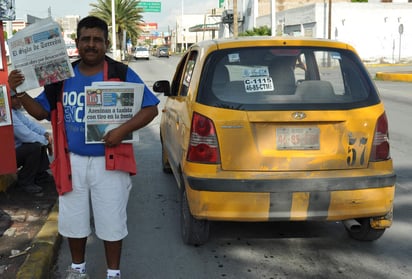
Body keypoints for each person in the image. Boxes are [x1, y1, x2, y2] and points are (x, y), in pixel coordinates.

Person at [8, 16, 159, 279]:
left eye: (97, 40)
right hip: (71, 162)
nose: (91, 45)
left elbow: (151, 108)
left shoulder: (120, 73)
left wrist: (122, 131)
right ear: (77, 43)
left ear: (106, 43)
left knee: (112, 221)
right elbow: (43, 111)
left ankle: (113, 273)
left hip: (110, 163)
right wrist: (18, 91)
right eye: (86, 39)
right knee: (73, 221)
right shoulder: (61, 77)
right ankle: (78, 269)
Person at [10, 90, 53, 194]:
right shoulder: (8, 114)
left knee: (39, 142)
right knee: (35, 146)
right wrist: (45, 141)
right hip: (7, 156)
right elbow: (25, 135)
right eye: (15, 97)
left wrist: (45, 134)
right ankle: (25, 182)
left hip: (15, 150)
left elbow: (30, 125)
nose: (19, 100)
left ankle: (40, 176)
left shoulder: (15, 111)